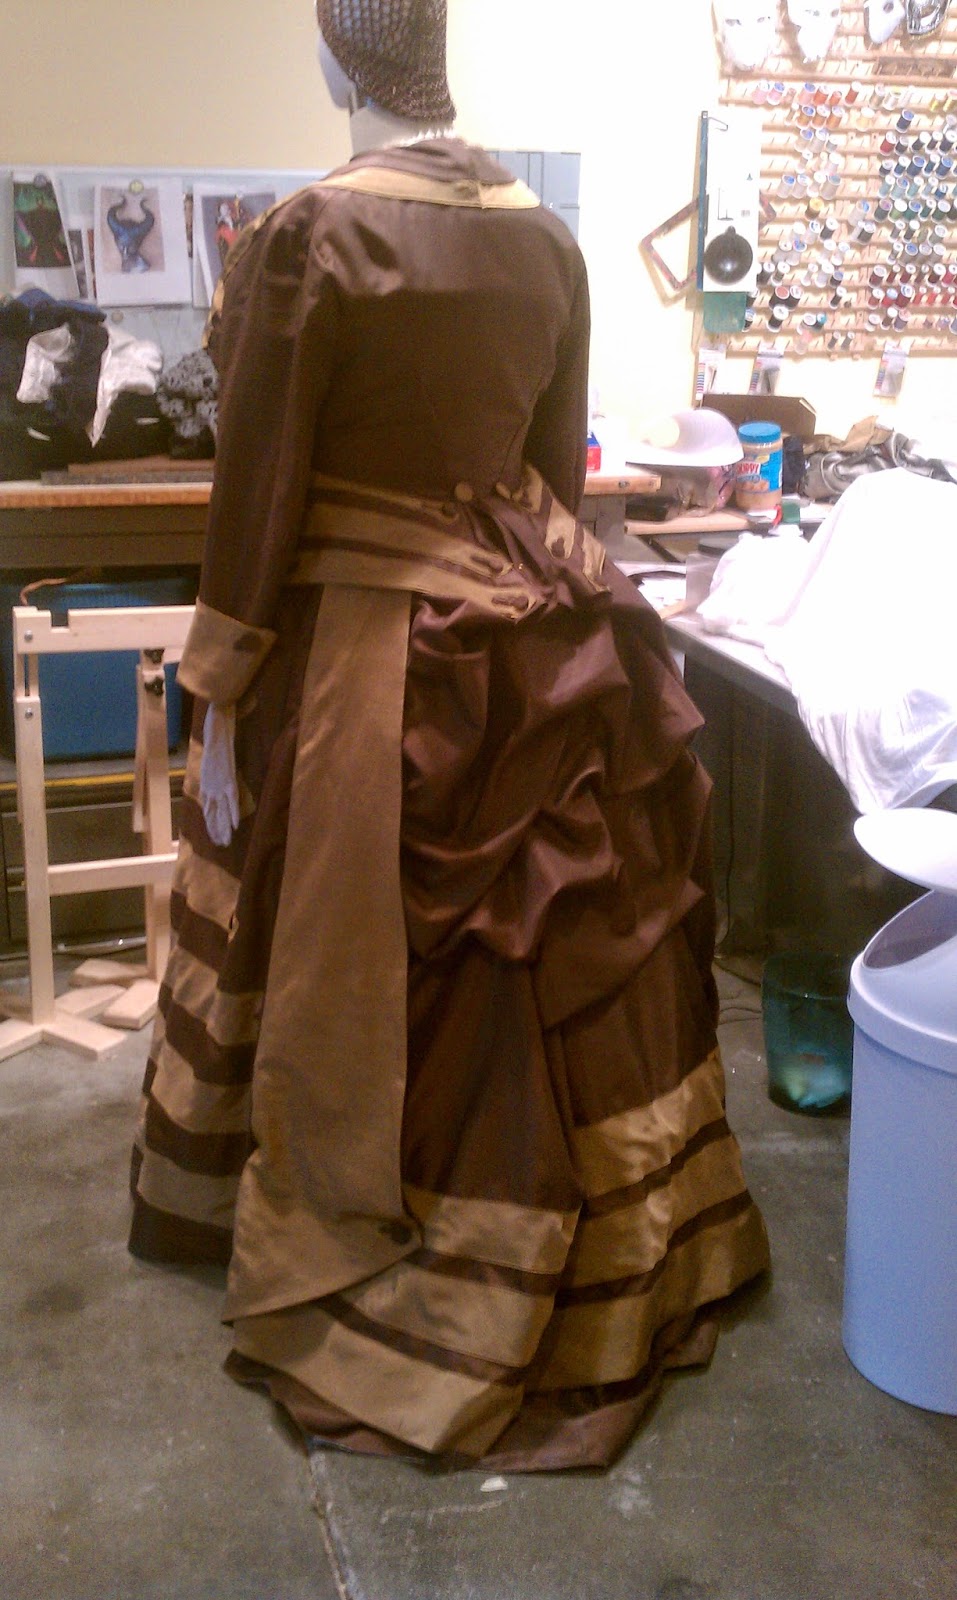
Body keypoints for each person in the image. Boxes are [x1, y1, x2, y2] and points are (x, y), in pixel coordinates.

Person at [129, 0, 769, 1472]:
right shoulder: (542, 238)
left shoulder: (307, 235)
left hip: (361, 652)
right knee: (553, 930)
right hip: (536, 627)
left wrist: (220, 672)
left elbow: (260, 483)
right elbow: (547, 470)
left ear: (335, 56)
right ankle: (608, 1231)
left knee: (340, 932)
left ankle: (379, 1244)